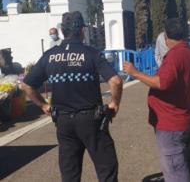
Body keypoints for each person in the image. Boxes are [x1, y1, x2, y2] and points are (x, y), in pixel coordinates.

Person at [21, 11, 123, 182]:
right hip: (91, 120)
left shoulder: (50, 55)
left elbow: (26, 85)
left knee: (70, 174)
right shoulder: (91, 53)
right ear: (82, 30)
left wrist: (43, 105)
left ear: (62, 32)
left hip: (64, 122)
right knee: (107, 168)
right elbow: (116, 81)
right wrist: (114, 103)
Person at [124, 18, 190, 182]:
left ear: (165, 37)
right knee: (186, 164)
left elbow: (161, 83)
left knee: (175, 171)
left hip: (171, 123)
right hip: (183, 117)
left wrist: (134, 72)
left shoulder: (174, 56)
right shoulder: (189, 52)